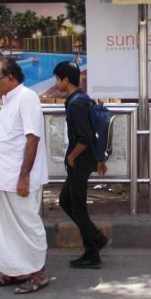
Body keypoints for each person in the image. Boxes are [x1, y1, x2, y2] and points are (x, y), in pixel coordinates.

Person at [0, 58, 50, 294]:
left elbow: (33, 138)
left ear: (11, 78)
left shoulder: (26, 98)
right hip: (0, 178)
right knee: (2, 226)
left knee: (27, 225)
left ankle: (37, 275)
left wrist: (23, 176)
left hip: (18, 179)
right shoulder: (8, 102)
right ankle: (14, 271)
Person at [53, 60, 109, 269]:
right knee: (66, 201)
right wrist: (97, 159)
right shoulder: (83, 98)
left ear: (65, 80)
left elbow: (85, 137)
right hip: (84, 160)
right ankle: (94, 242)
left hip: (79, 161)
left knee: (77, 208)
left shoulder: (76, 103)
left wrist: (71, 157)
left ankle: (94, 247)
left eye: (57, 78)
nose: (56, 82)